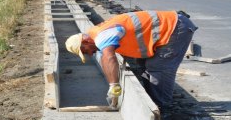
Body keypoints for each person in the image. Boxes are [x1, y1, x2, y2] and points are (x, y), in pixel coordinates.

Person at [64, 10, 197, 109]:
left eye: (85, 51)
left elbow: (109, 57)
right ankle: (152, 100)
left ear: (85, 41)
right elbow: (108, 56)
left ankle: (162, 108)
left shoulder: (102, 37)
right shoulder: (95, 34)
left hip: (175, 28)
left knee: (158, 68)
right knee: (143, 65)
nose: (89, 54)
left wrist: (113, 85)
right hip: (168, 29)